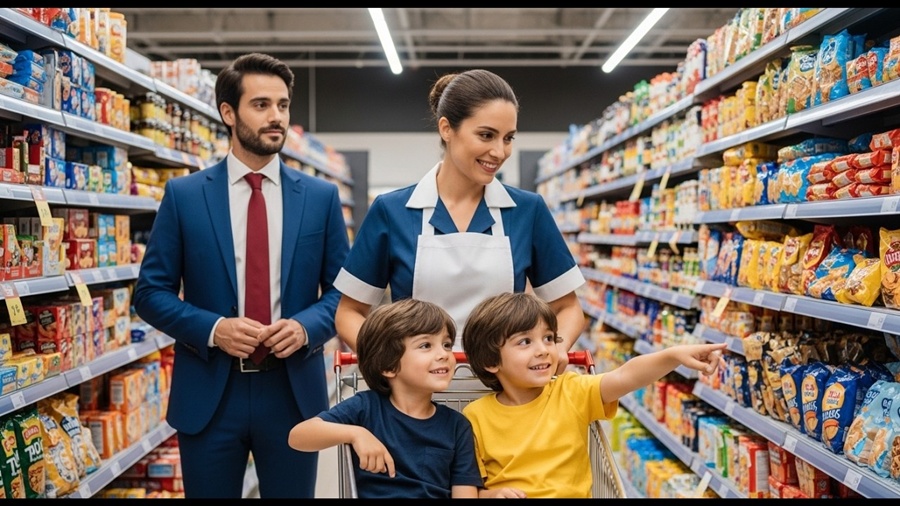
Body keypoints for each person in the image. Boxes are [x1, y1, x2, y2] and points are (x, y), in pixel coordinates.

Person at [132, 52, 350, 498]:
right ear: (228, 113)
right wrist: (214, 329)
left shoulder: (320, 197)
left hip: (292, 392)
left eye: (283, 105)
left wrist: (307, 327)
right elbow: (151, 293)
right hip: (212, 391)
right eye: (262, 105)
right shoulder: (185, 196)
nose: (277, 117)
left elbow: (342, 296)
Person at [333, 69, 585, 370]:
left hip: (506, 392)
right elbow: (349, 312)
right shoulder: (393, 211)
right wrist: (392, 363)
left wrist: (558, 346)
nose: (499, 151)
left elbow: (568, 307)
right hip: (417, 396)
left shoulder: (526, 210)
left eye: (508, 138)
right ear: (446, 129)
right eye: (486, 135)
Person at [461, 292, 727, 499]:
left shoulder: (571, 391)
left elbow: (626, 376)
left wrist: (673, 355)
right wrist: (490, 494)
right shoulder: (476, 417)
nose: (543, 350)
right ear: (490, 360)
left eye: (549, 338)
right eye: (525, 342)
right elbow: (468, 487)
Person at [288, 298, 483, 498]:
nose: (443, 354)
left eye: (447, 344)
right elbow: (298, 437)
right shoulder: (366, 408)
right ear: (388, 366)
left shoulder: (457, 426)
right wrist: (356, 434)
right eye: (426, 345)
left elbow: (464, 492)